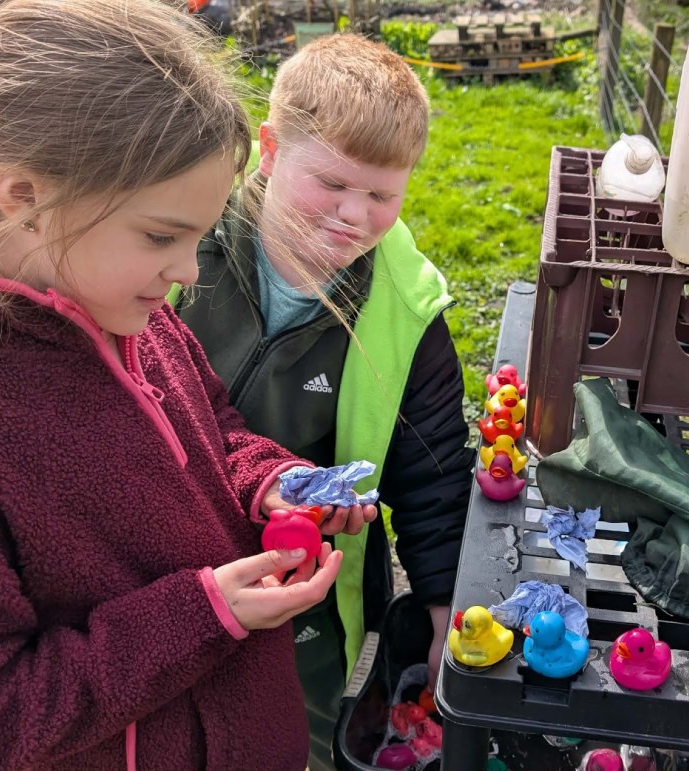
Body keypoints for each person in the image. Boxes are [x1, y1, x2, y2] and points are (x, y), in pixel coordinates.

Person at [0, 1, 353, 768]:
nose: (189, 271)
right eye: (162, 235)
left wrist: (269, 480)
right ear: (23, 196)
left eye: (200, 236)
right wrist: (203, 613)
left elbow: (214, 426)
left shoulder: (122, 303)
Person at [178, 34, 473, 769]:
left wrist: (444, 613)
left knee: (294, 740)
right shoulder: (180, 243)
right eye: (333, 183)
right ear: (270, 149)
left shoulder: (407, 311)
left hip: (307, 604)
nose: (352, 215)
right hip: (163, 574)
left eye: (382, 195)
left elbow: (434, 477)